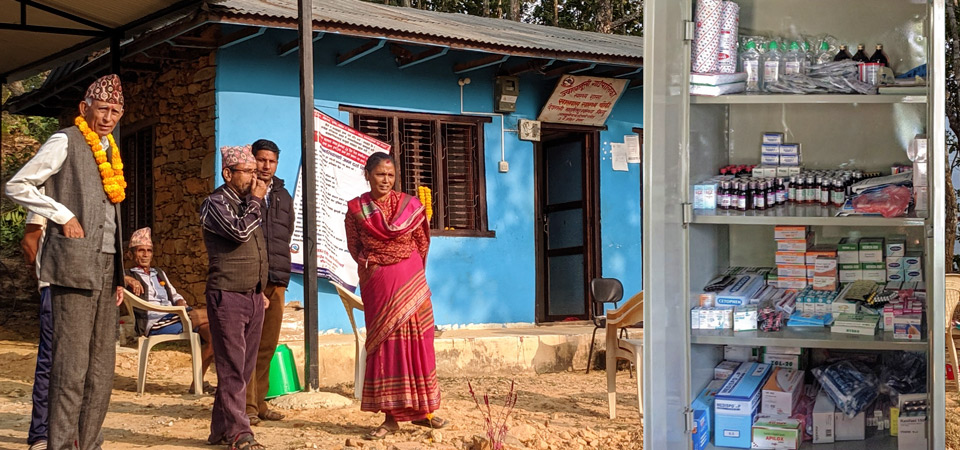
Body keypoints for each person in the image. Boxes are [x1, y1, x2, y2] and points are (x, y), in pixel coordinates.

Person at [5, 74, 127, 450]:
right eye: (103, 109)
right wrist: (61, 213)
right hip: (72, 266)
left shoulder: (111, 150)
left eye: (116, 111)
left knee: (101, 369)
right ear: (84, 108)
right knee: (70, 369)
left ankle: (88, 444)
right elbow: (17, 184)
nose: (108, 117)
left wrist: (120, 275)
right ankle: (59, 444)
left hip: (107, 270)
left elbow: (111, 217)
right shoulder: (65, 140)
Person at [344, 152, 448, 440]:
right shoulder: (356, 210)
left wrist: (407, 266)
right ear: (367, 175)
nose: (386, 180)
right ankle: (391, 417)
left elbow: (422, 242)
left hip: (411, 281)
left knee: (418, 343)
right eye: (380, 174)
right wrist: (375, 266)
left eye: (390, 175)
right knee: (388, 347)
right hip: (380, 283)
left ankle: (422, 412)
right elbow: (355, 248)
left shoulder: (411, 206)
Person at [200, 145, 269, 450]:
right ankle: (240, 435)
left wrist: (260, 288)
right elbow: (239, 233)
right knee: (231, 367)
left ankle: (220, 432)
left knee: (241, 368)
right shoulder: (215, 203)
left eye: (257, 172)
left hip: (252, 295)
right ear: (228, 173)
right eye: (249, 172)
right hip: (227, 295)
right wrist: (255, 201)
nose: (255, 178)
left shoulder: (247, 203)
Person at [122, 227, 214, 392]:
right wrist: (126, 278)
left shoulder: (159, 273)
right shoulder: (129, 274)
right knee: (217, 314)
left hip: (175, 316)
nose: (145, 255)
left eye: (149, 251)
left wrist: (181, 303)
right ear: (131, 254)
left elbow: (175, 294)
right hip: (155, 322)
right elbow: (110, 278)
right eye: (141, 251)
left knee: (215, 335)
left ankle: (197, 385)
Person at [245, 139, 294, 425]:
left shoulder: (283, 195)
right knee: (248, 345)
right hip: (251, 280)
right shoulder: (244, 192)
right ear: (253, 161)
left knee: (267, 344)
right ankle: (248, 406)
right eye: (261, 160)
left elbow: (285, 234)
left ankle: (260, 402)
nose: (266, 166)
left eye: (271, 161)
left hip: (276, 278)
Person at [21, 212, 51, 450]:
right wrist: (42, 279)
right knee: (49, 361)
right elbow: (30, 242)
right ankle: (40, 433)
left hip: (81, 287)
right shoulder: (44, 192)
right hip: (53, 287)